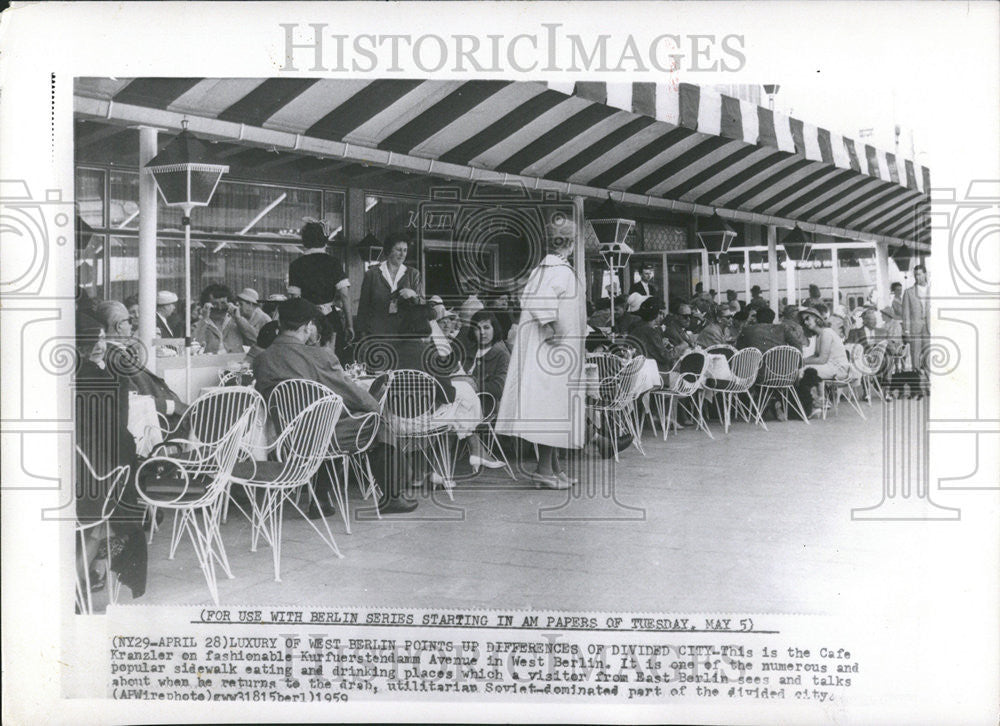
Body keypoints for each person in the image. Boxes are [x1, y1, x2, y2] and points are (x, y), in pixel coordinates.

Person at [252, 298, 417, 515]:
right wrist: (375, 406)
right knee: (376, 422)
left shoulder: (261, 359)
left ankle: (321, 500)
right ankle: (392, 497)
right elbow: (354, 395)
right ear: (308, 326)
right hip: (323, 436)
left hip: (288, 439)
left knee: (326, 421)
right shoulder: (319, 356)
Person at [496, 219, 585, 489]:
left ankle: (554, 467)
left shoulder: (553, 268)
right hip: (551, 350)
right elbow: (536, 300)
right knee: (551, 407)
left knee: (557, 407)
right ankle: (544, 470)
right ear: (569, 243)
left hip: (557, 349)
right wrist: (554, 327)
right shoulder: (554, 269)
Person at [74, 313, 147, 601]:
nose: (99, 345)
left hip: (81, 472)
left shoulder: (79, 372)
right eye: (92, 340)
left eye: (103, 338)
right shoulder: (98, 376)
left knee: (110, 517)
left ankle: (91, 572)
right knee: (113, 518)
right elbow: (117, 435)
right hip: (97, 478)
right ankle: (78, 578)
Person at [389, 299, 503, 474]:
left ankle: (424, 471)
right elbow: (447, 395)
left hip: (392, 422)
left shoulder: (391, 352)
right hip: (421, 423)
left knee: (454, 407)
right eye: (432, 322)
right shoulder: (429, 355)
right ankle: (443, 470)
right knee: (455, 407)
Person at [94, 300, 188, 429]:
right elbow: (133, 400)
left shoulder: (116, 353)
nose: (132, 326)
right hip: (160, 426)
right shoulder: (113, 358)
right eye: (129, 321)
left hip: (162, 420)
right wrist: (174, 406)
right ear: (119, 326)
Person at [288, 221, 354, 342]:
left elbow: (295, 298)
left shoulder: (296, 265)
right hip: (330, 319)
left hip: (306, 321)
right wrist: (350, 325)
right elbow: (344, 294)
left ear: (305, 241)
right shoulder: (333, 263)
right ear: (325, 240)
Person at [356, 232, 421, 340]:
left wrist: (413, 295)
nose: (402, 254)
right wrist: (362, 335)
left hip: (404, 333)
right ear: (389, 250)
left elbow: (422, 304)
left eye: (405, 250)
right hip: (376, 333)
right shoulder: (372, 274)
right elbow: (363, 307)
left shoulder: (413, 274)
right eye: (398, 250)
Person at [468, 310, 511, 406]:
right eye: (477, 328)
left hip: (487, 408)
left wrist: (472, 384)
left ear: (494, 329)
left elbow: (500, 388)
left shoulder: (502, 355)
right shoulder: (469, 351)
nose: (482, 332)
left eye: (486, 327)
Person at [799, 306, 850, 380]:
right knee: (801, 369)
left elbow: (822, 360)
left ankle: (807, 392)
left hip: (838, 369)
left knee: (802, 371)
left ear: (816, 318)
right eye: (804, 321)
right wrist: (801, 361)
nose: (805, 322)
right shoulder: (819, 335)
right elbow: (816, 355)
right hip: (830, 366)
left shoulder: (826, 332)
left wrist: (802, 361)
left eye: (807, 318)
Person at [193, 283, 244, 354]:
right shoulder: (199, 325)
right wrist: (204, 319)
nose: (220, 308)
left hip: (235, 363)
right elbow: (193, 346)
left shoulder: (236, 323)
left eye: (223, 304)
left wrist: (238, 318)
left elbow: (255, 341)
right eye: (215, 304)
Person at [629, 297, 673, 367]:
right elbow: (666, 357)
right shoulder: (650, 332)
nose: (663, 317)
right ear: (655, 314)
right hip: (655, 372)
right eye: (661, 313)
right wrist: (681, 347)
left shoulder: (636, 328)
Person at [902, 265, 930, 372]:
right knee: (915, 356)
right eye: (915, 275)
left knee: (929, 354)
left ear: (925, 274)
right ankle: (917, 381)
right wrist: (907, 331)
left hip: (929, 328)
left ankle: (929, 381)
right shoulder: (909, 292)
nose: (917, 277)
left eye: (919, 274)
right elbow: (906, 314)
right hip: (915, 329)